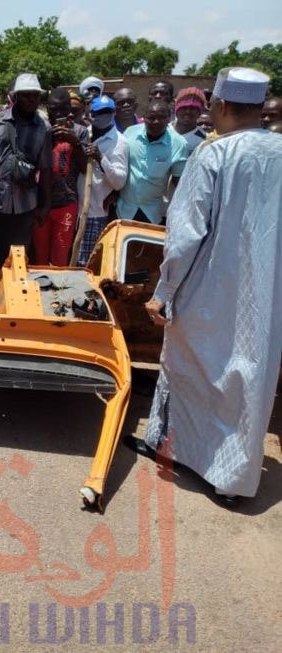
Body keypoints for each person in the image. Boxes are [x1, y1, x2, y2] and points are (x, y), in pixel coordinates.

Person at [140, 67, 282, 504]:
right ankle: (233, 478)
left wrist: (163, 292)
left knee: (193, 367)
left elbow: (185, 234)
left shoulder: (213, 154)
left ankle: (178, 451)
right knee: (248, 374)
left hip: (207, 287)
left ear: (220, 106)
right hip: (267, 292)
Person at [0, 73, 52, 301]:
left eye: (35, 95)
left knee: (16, 259)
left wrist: (45, 205)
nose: (31, 100)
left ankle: (8, 303)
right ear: (15, 97)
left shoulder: (44, 128)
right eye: (26, 95)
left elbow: (45, 169)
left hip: (24, 207)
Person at [31, 87, 88, 266]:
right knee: (39, 255)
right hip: (40, 203)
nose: (58, 113)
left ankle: (59, 294)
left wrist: (75, 143)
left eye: (63, 108)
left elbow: (86, 167)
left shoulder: (80, 132)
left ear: (69, 109)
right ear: (47, 108)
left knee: (61, 256)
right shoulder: (40, 129)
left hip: (66, 203)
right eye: (54, 109)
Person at [76, 95, 128, 265]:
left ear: (114, 113)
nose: (103, 116)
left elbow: (119, 182)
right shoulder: (84, 133)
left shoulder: (119, 142)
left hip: (95, 213)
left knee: (86, 263)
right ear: (91, 114)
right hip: (75, 209)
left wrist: (101, 158)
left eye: (108, 112)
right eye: (99, 112)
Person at [117, 99, 188, 225]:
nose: (156, 121)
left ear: (169, 118)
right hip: (123, 209)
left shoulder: (179, 144)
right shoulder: (130, 133)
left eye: (161, 117)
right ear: (144, 118)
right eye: (151, 117)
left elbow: (179, 183)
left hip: (152, 213)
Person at [172, 86, 207, 156]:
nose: (188, 112)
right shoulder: (163, 130)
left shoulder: (203, 140)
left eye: (193, 108)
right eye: (183, 107)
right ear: (176, 108)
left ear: (200, 112)